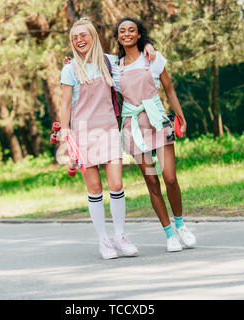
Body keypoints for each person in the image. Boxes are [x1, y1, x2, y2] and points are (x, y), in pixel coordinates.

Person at [59, 18, 155, 259]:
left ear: (92, 36)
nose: (79, 39)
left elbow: (133, 58)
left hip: (109, 129)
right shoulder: (69, 69)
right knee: (94, 189)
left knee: (116, 185)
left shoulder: (109, 62)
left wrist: (147, 47)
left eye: (83, 35)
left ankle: (120, 237)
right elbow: (64, 106)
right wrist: (64, 135)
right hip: (82, 133)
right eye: (75, 36)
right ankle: (103, 241)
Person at [113, 17, 197, 252]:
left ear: (139, 35)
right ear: (118, 37)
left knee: (170, 177)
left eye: (132, 30)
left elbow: (169, 88)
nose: (127, 33)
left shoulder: (153, 58)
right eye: (122, 31)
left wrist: (181, 116)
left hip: (158, 123)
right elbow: (89, 61)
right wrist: (69, 62)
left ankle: (181, 225)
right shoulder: (114, 67)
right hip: (134, 130)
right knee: (152, 180)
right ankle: (169, 234)